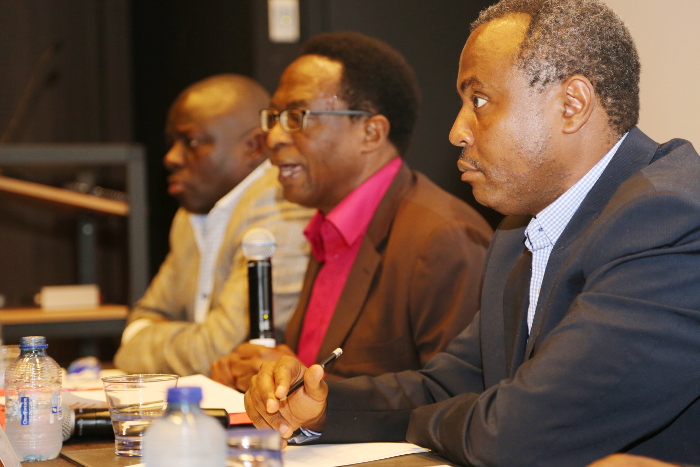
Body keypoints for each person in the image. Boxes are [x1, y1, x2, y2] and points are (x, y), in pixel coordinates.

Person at [244, 1, 700, 466]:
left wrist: (428, 421)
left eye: (478, 100)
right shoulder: (518, 230)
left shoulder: (670, 218)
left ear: (572, 105)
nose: (457, 130)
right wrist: (323, 407)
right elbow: (451, 383)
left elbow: (519, 434)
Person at [210, 32, 493, 392]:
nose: (275, 138)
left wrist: (306, 389)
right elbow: (315, 367)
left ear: (371, 133)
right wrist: (269, 375)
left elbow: (457, 398)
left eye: (297, 116)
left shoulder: (443, 237)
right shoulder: (327, 227)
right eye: (275, 117)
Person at [113, 74, 313, 376]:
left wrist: (147, 340)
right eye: (171, 143)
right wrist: (142, 336)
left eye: (191, 142)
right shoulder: (190, 215)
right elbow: (144, 316)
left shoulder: (281, 205)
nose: (170, 158)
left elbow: (220, 350)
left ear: (255, 146)